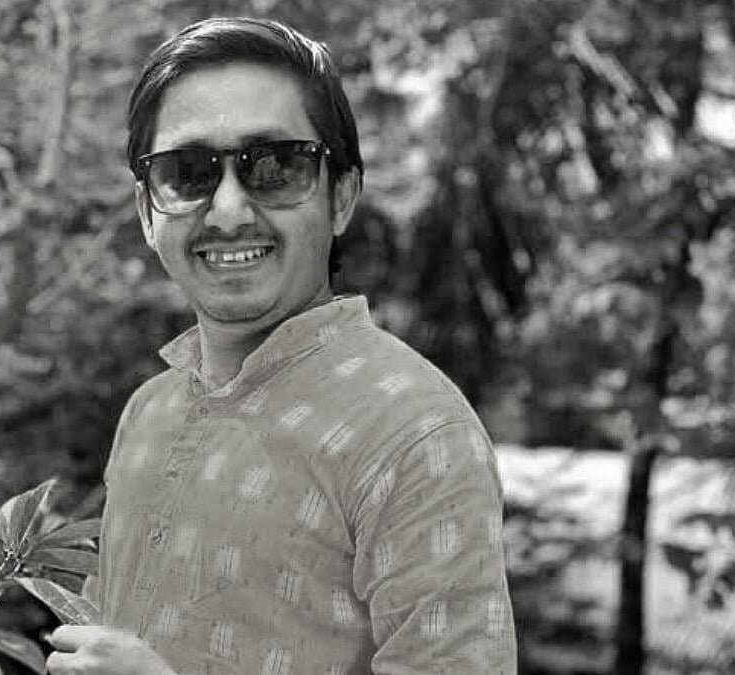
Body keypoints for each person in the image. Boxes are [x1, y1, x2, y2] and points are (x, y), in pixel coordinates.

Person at [45, 17, 517, 675]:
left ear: (341, 197)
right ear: (148, 211)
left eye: (276, 167)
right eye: (188, 172)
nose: (229, 209)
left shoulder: (416, 434)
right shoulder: (148, 411)